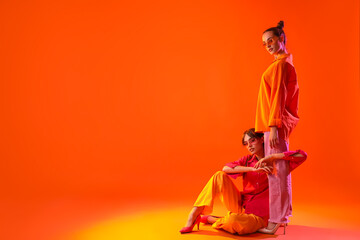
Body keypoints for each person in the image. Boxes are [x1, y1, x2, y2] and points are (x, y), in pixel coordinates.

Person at [179, 128, 307, 235]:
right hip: (241, 205)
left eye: (252, 140)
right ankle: (194, 214)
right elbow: (226, 168)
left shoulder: (276, 163)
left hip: (259, 216)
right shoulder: (247, 160)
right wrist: (253, 169)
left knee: (234, 221)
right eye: (246, 143)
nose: (249, 145)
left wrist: (273, 156)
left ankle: (213, 220)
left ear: (262, 139)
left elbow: (302, 155)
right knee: (219, 175)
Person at [255, 20, 300, 234]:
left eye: (271, 40)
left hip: (275, 125)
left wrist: (273, 126)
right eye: (264, 43)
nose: (268, 45)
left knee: (276, 172)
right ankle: (283, 216)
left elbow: (279, 97)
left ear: (281, 38)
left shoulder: (281, 65)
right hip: (274, 124)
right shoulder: (281, 63)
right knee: (280, 171)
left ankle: (276, 220)